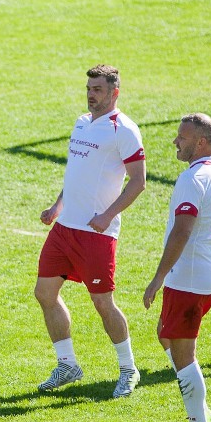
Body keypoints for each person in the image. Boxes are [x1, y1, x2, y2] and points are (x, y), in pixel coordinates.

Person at [34, 64, 147, 398]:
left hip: (97, 234)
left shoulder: (124, 130)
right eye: (88, 88)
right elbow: (76, 173)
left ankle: (128, 369)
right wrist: (58, 206)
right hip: (65, 229)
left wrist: (107, 214)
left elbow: (139, 182)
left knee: (102, 303)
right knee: (44, 294)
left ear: (114, 92)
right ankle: (67, 364)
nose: (90, 94)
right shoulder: (82, 123)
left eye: (97, 89)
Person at [143, 113, 211, 422]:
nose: (175, 141)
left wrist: (157, 277)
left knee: (184, 354)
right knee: (165, 333)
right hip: (206, 275)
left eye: (182, 137)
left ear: (200, 142)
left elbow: (182, 230)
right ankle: (201, 412)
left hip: (187, 278)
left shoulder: (193, 178)